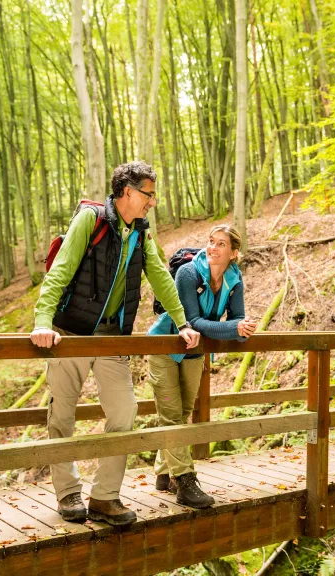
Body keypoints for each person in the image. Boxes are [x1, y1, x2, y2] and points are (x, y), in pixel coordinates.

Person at [29, 161, 201, 526]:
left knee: (124, 413)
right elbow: (59, 272)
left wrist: (183, 322)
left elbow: (160, 277)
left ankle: (104, 497)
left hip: (112, 336)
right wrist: (43, 322)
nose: (153, 202)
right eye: (148, 195)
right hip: (71, 333)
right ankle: (67, 492)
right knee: (62, 416)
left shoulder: (141, 232)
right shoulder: (90, 221)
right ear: (127, 192)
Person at [146, 225, 258, 508]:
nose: (212, 248)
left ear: (233, 253)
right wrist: (234, 328)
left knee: (182, 413)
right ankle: (184, 482)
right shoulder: (188, 273)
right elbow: (193, 321)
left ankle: (163, 473)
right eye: (211, 242)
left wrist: (241, 328)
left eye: (221, 244)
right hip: (165, 347)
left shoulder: (234, 279)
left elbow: (238, 317)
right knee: (171, 415)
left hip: (195, 353)